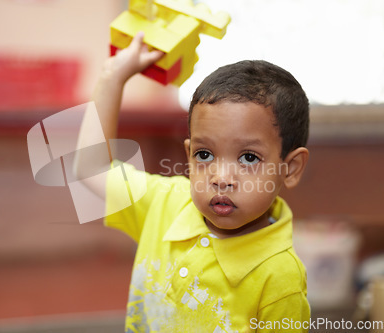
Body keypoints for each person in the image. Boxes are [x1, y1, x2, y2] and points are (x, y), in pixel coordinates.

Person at [79, 31, 311, 332]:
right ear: (188, 155)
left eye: (249, 158)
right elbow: (91, 167)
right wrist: (112, 76)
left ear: (290, 168)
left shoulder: (281, 278)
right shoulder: (165, 203)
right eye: (205, 154)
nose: (221, 178)